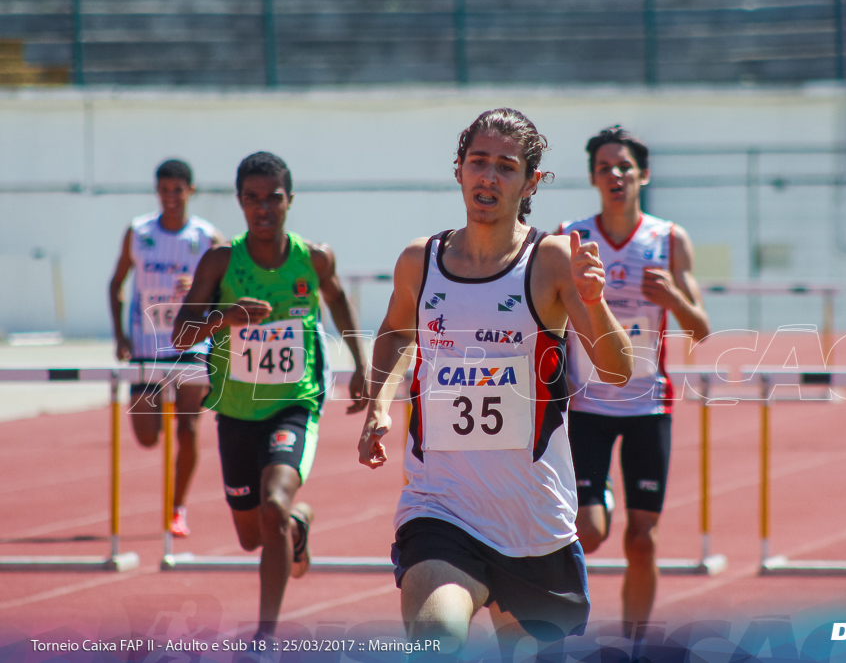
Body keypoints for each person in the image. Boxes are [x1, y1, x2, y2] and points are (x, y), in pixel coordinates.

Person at [357, 108, 633, 658]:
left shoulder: (551, 259)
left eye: (506, 167)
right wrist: (378, 406)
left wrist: (596, 304)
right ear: (458, 169)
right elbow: (393, 333)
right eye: (478, 162)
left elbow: (617, 368)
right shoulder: (421, 260)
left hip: (534, 523)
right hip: (441, 508)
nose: (488, 177)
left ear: (530, 182)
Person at [172, 152, 368, 644]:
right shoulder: (221, 260)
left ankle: (265, 638)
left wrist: (362, 364)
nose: (264, 209)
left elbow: (338, 300)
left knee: (273, 503)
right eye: (253, 199)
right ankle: (296, 526)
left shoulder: (313, 258)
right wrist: (226, 317)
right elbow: (179, 335)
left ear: (290, 200)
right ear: (239, 202)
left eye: (273, 198)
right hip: (236, 411)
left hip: (294, 403)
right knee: (252, 536)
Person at [557, 126, 710, 638]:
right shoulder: (572, 236)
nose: (615, 176)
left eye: (624, 167)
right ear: (593, 178)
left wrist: (673, 300)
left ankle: (633, 644)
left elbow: (701, 330)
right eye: (605, 168)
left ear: (642, 174)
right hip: (587, 406)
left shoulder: (668, 240)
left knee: (642, 541)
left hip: (648, 406)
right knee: (590, 533)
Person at [108, 159, 222, 538]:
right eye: (164, 190)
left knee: (188, 430)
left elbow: (228, 289)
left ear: (191, 191)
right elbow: (116, 284)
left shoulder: (207, 238)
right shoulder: (138, 233)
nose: (171, 197)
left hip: (191, 346)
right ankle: (173, 497)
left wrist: (201, 286)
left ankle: (177, 508)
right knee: (146, 436)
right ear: (157, 191)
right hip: (145, 348)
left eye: (178, 190)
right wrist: (120, 336)